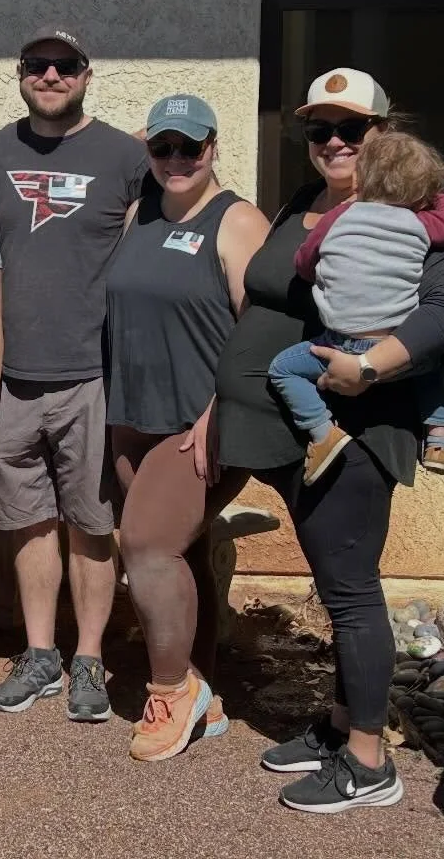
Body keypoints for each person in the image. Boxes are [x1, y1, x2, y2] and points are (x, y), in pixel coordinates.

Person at [200, 67, 444, 812]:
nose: (331, 141)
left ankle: (368, 761)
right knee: (334, 589)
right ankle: (337, 724)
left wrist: (371, 364)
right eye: (317, 129)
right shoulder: (306, 204)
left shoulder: (416, 208)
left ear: (381, 135)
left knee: (352, 597)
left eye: (350, 129)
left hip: (354, 435)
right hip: (295, 438)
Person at [0, 26, 150, 723]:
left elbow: (174, 215)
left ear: (87, 74)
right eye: (37, 65)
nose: (51, 76)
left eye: (64, 66)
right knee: (27, 521)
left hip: (91, 373)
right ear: (20, 74)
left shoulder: (125, 155)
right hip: (11, 375)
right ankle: (41, 652)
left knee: (90, 522)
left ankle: (90, 658)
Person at [107, 94, 270, 760]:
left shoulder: (237, 221)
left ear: (213, 149)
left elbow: (261, 334)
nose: (176, 159)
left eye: (190, 147)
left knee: (145, 546)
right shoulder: (138, 213)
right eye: (163, 147)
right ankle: (206, 694)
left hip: (201, 424)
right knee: (184, 551)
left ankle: (172, 693)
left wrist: (218, 412)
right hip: (133, 417)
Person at [267, 131, 444, 484]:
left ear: (363, 177)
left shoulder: (339, 215)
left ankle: (321, 431)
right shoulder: (422, 223)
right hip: (396, 349)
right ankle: (438, 438)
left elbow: (305, 262)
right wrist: (433, 196)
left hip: (336, 345)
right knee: (432, 367)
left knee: (282, 368)